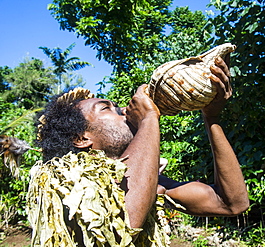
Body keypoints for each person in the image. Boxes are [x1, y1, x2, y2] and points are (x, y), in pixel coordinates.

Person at [27, 56, 249, 246]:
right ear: (81, 138)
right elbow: (124, 224)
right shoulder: (61, 182)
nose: (123, 110)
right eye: (106, 108)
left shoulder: (148, 181)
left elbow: (231, 203)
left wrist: (211, 118)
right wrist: (149, 119)